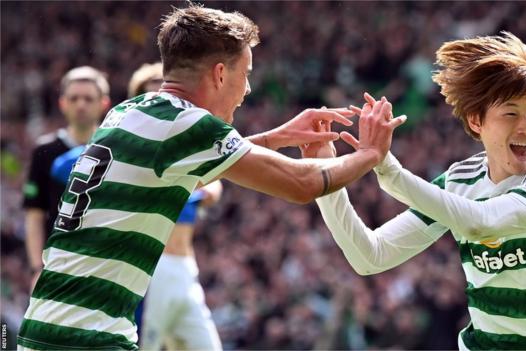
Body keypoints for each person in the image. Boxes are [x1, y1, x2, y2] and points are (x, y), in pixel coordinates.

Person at [16, 4, 405, 351]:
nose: (248, 88)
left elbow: (181, 171)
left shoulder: (130, 111)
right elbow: (302, 185)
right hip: (89, 336)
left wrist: (275, 138)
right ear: (220, 73)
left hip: (43, 328)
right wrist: (371, 154)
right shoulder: (189, 126)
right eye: (246, 73)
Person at [312, 32, 526, 350]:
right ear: (476, 122)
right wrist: (325, 178)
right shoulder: (460, 181)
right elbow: (371, 256)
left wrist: (388, 170)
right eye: (511, 113)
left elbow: (482, 222)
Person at [52, 62, 227, 350]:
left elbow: (215, 181)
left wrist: (207, 187)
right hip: (150, 268)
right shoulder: (134, 152)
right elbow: (65, 165)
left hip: (186, 269)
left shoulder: (187, 150)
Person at [22, 66, 110, 289]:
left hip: (107, 266)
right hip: (58, 265)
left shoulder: (117, 149)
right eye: (74, 98)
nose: (81, 104)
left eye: (88, 98)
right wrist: (36, 268)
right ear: (63, 103)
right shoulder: (45, 151)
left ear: (104, 103)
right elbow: (35, 214)